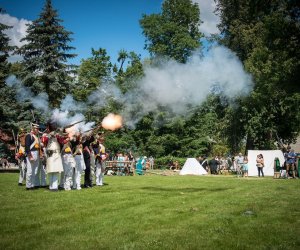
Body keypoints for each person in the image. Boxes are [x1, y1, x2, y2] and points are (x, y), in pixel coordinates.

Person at [24, 123, 41, 190]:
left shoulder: (36, 137)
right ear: (33, 129)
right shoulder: (29, 136)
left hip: (36, 153)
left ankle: (32, 185)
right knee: (30, 171)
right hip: (31, 153)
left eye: (37, 128)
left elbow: (38, 147)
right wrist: (30, 156)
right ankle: (28, 186)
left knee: (35, 171)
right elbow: (27, 147)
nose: (37, 130)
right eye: (36, 128)